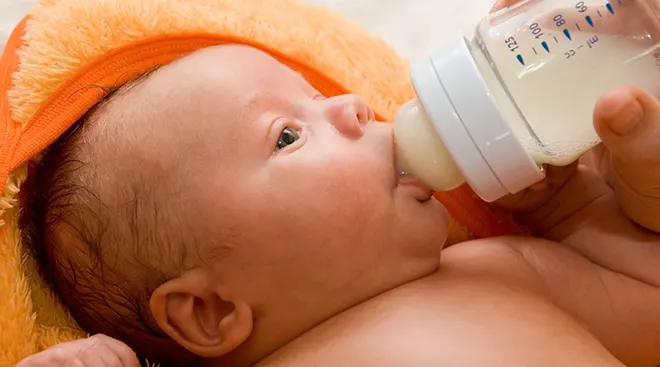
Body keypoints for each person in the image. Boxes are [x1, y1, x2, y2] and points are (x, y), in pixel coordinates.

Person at [16, 0, 660, 366]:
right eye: (287, 135)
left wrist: (567, 208)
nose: (352, 104)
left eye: (317, 96)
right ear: (210, 313)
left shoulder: (498, 269)